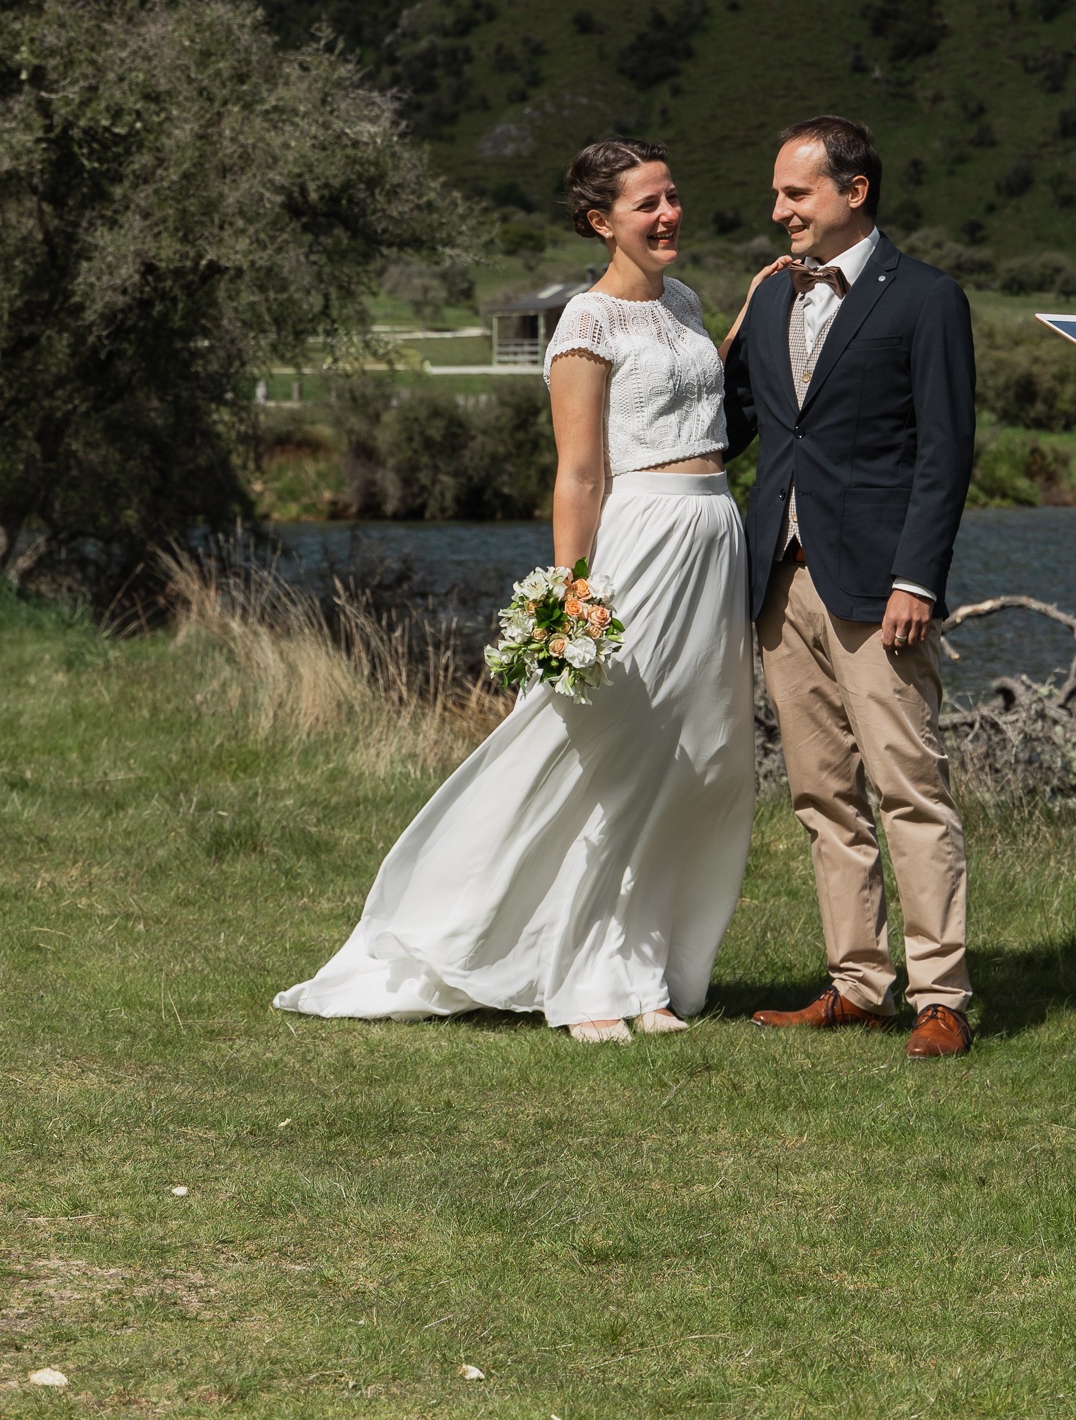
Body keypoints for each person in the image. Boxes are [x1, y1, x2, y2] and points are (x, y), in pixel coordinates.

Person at [276, 139, 762, 1042]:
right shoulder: (585, 324)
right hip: (643, 545)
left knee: (695, 760)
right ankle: (577, 978)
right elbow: (578, 476)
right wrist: (570, 597)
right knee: (614, 759)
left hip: (713, 540)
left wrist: (763, 304)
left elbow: (710, 398)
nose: (669, 216)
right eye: (647, 205)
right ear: (598, 221)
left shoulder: (686, 303)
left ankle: (641, 969)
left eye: (672, 197)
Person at [722, 116, 978, 1060]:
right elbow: (737, 427)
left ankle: (939, 995)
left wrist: (919, 575)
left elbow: (945, 452)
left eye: (796, 193)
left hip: (880, 586)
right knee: (821, 795)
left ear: (854, 192)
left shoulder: (927, 299)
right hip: (779, 581)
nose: (778, 209)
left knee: (909, 786)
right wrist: (738, 328)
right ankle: (856, 983)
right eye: (779, 194)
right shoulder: (773, 298)